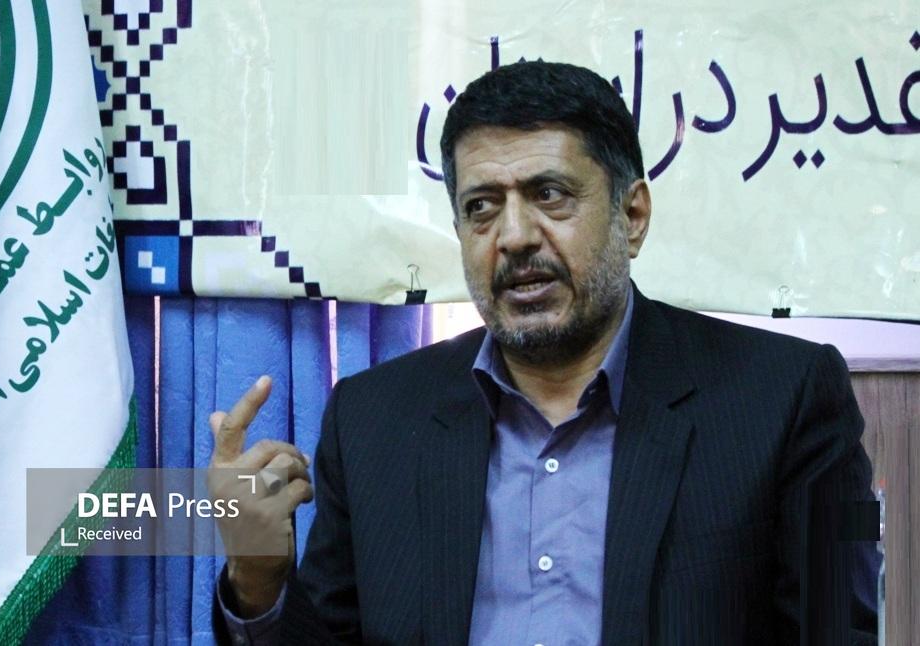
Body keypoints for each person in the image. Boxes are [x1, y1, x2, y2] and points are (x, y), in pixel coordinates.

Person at [210, 61, 878, 645]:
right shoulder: (372, 420)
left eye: (549, 195)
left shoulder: (788, 398)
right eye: (482, 206)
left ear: (632, 217)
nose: (515, 236)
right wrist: (258, 577)